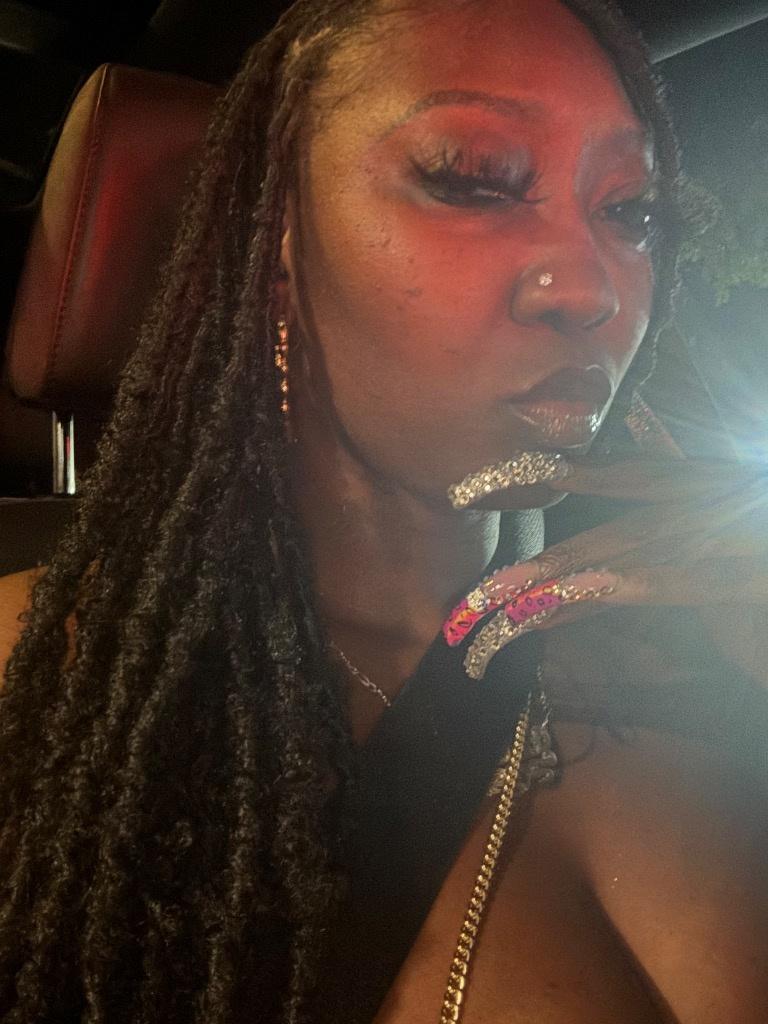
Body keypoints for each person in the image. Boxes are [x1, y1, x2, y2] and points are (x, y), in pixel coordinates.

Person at [0, 0, 766, 1021]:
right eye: (473, 178)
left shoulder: (717, 653)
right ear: (276, 235)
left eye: (630, 211)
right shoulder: (43, 684)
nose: (592, 286)